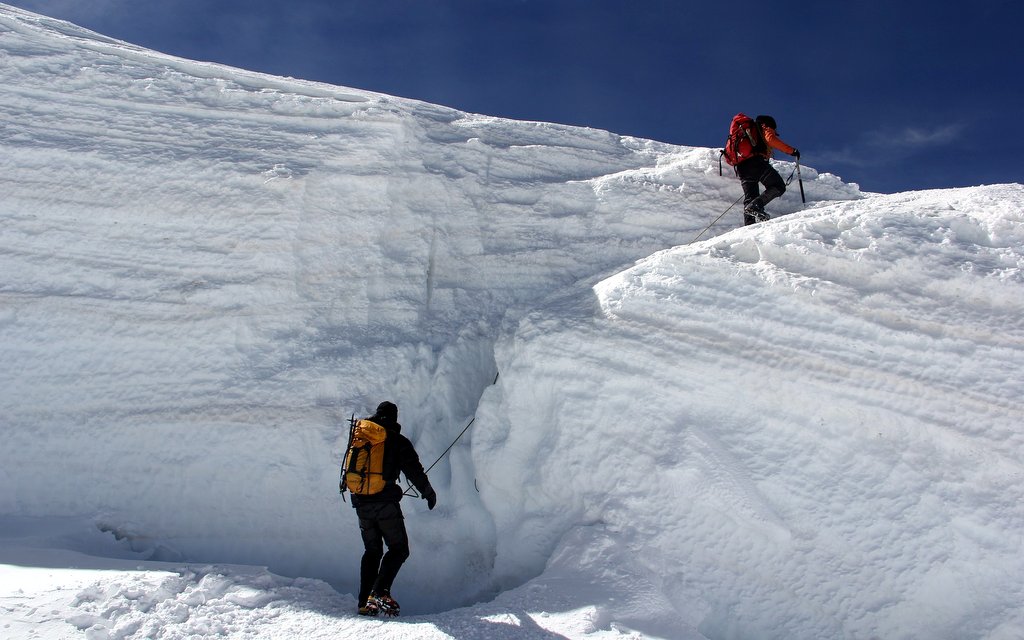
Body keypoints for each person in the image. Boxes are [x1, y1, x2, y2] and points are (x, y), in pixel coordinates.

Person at [347, 401, 436, 616]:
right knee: (399, 549)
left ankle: (364, 602)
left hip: (361, 503)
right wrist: (427, 491)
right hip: (385, 504)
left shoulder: (361, 438)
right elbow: (413, 469)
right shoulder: (396, 440)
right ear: (394, 419)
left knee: (372, 551)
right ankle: (379, 591)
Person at [737, 115, 800, 225]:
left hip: (742, 167)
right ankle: (755, 206)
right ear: (766, 124)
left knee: (750, 198)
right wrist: (792, 151)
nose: (774, 131)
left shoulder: (747, 132)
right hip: (756, 163)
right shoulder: (764, 128)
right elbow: (771, 139)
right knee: (778, 186)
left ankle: (748, 226)